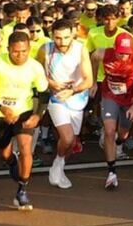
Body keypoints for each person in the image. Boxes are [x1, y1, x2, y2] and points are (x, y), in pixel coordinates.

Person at [0, 32, 50, 210]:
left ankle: (22, 190)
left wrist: (37, 115)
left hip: (23, 111)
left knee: (26, 148)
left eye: (24, 51)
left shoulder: (35, 67)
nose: (20, 56)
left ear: (29, 49)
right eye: (16, 52)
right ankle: (11, 162)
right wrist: (1, 108)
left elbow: (44, 93)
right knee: (5, 153)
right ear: (8, 49)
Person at [38, 19, 93, 190]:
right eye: (58, 38)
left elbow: (89, 80)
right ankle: (58, 166)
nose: (62, 42)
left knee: (71, 142)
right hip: (56, 99)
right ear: (52, 35)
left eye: (66, 37)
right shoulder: (44, 50)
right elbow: (36, 74)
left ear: (73, 34)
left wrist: (73, 90)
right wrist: (51, 84)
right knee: (67, 137)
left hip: (77, 99)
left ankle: (58, 166)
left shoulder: (81, 49)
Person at [93, 32, 133, 190]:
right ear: (114, 48)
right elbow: (94, 59)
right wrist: (93, 82)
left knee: (123, 134)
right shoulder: (102, 53)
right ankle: (111, 172)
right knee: (110, 130)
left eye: (127, 53)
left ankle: (119, 142)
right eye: (121, 52)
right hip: (110, 95)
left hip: (130, 99)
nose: (124, 56)